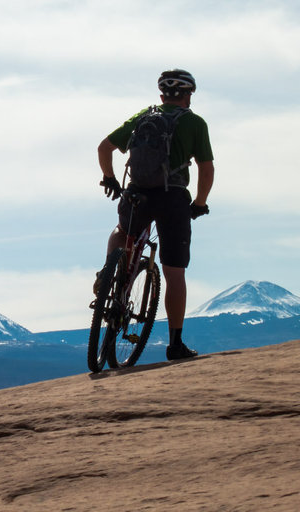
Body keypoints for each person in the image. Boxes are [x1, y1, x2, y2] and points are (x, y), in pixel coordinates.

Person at [96, 69, 214, 361]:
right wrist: (199, 203)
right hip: (172, 198)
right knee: (174, 272)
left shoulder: (143, 118)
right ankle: (175, 344)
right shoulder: (195, 123)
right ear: (188, 96)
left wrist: (110, 178)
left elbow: (104, 147)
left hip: (137, 194)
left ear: (162, 96)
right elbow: (206, 168)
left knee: (122, 231)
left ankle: (109, 275)